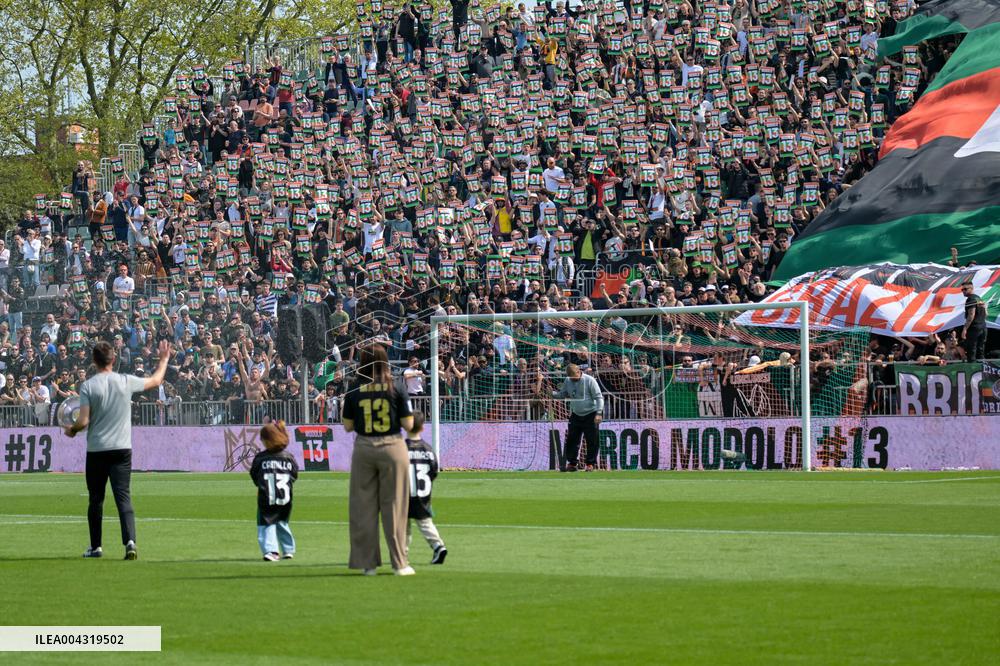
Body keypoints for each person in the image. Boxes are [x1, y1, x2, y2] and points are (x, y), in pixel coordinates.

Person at [65, 339, 172, 559]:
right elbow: (156, 380)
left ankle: (96, 547)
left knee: (96, 499)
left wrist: (72, 430)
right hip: (122, 449)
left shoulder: (88, 386)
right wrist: (163, 360)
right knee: (123, 496)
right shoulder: (125, 380)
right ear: (113, 359)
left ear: (94, 361)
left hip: (97, 450)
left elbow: (83, 421)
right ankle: (130, 542)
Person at [342, 343, 415, 576]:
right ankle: (400, 563)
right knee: (395, 506)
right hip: (393, 446)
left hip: (364, 447)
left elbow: (347, 426)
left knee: (363, 507)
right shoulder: (396, 387)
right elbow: (409, 425)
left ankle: (368, 564)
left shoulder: (354, 388)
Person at [249, 420, 298, 561]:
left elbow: (254, 474)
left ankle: (272, 551)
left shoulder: (261, 458)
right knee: (282, 522)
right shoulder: (289, 457)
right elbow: (294, 475)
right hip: (285, 498)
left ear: (267, 440)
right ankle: (288, 550)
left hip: (267, 497)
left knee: (266, 524)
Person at [405, 411, 447, 565]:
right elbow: (434, 472)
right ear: (423, 427)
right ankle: (438, 546)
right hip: (423, 495)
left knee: (403, 527)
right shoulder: (428, 450)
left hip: (404, 495)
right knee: (425, 523)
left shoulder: (401, 449)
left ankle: (402, 554)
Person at [551, 363, 604, 472]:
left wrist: (599, 413)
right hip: (575, 414)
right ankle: (572, 463)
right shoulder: (568, 380)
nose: (572, 379)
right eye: (570, 377)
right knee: (572, 439)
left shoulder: (590, 380)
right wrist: (552, 393)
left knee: (592, 440)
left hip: (591, 414)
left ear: (579, 371)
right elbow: (563, 394)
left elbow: (599, 398)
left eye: (574, 376)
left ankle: (590, 464)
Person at [961, 281, 987, 362]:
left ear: (971, 288)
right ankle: (982, 370)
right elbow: (986, 313)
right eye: (962, 289)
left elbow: (971, 315)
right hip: (983, 327)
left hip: (974, 328)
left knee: (971, 351)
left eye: (965, 289)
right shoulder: (979, 298)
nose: (963, 291)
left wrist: (965, 329)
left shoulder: (971, 299)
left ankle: (972, 371)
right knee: (980, 351)